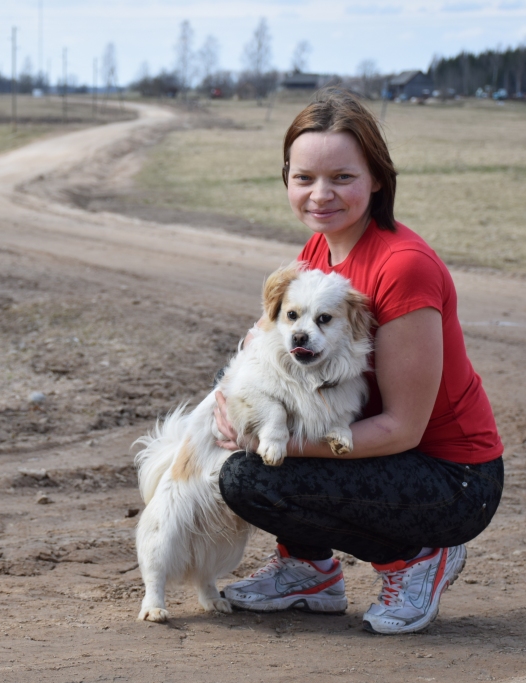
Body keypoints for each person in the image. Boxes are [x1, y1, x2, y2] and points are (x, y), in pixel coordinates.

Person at [212, 88, 504, 635]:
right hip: (376, 445)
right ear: (286, 180)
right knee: (254, 446)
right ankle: (308, 570)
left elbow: (402, 429)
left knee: (257, 477)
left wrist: (277, 442)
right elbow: (261, 345)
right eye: (304, 178)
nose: (320, 194)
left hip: (451, 477)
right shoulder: (318, 252)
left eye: (342, 177)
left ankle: (419, 558)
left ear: (376, 179)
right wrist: (231, 407)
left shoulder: (403, 267)